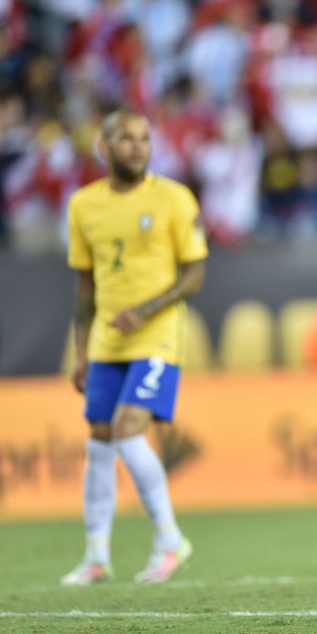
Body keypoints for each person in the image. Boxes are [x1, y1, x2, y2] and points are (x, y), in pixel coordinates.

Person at [61, 111, 207, 586]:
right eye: (126, 138)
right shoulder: (83, 205)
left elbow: (194, 274)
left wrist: (143, 312)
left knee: (127, 432)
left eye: (144, 139)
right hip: (105, 338)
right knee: (99, 441)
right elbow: (85, 287)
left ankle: (170, 541)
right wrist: (82, 351)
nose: (137, 147)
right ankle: (96, 556)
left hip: (156, 335)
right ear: (103, 146)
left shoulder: (172, 198)